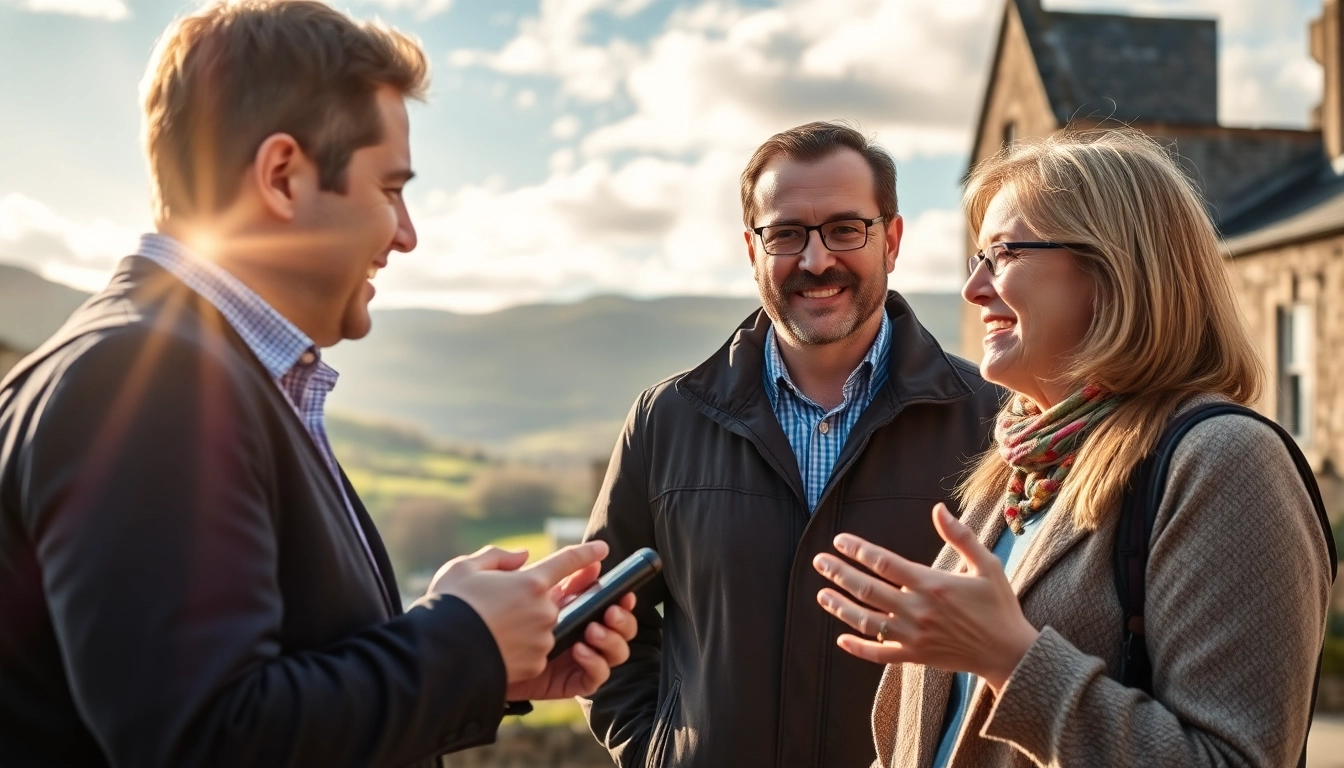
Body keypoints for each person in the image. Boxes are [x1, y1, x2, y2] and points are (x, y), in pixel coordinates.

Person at [0, 2, 636, 766]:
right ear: (282, 177)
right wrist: (461, 640)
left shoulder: (199, 366)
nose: (407, 233)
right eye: (391, 189)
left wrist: (484, 661)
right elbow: (209, 741)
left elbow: (262, 693)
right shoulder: (145, 384)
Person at [813, 128, 1334, 767]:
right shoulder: (1019, 468)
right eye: (977, 257)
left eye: (1003, 254)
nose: (973, 289)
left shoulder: (1225, 460)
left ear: (1114, 269)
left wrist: (1010, 658)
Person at [579, 121, 1002, 767]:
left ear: (891, 239)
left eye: (844, 228)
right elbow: (603, 626)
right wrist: (658, 753)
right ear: (752, 250)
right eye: (785, 234)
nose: (815, 260)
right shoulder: (666, 420)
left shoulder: (990, 422)